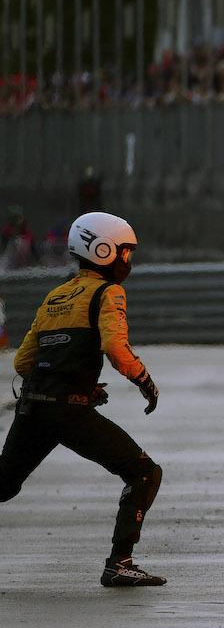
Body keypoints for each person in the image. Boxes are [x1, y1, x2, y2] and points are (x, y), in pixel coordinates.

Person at [0, 212, 164, 586]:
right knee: (144, 472)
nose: (128, 260)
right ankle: (119, 564)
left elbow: (23, 362)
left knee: (4, 484)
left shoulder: (56, 295)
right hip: (68, 411)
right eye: (125, 252)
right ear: (104, 251)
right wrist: (144, 380)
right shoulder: (108, 293)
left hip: (33, 405)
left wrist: (72, 380)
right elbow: (116, 348)